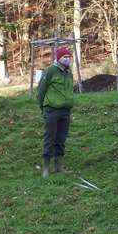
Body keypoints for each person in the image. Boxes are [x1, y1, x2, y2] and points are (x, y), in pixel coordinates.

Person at [36, 46, 75, 178]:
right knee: (49, 138)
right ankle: (46, 168)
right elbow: (41, 90)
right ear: (58, 58)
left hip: (65, 111)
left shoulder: (69, 73)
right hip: (51, 110)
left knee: (61, 139)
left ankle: (59, 167)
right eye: (65, 57)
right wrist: (42, 108)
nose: (67, 59)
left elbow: (69, 91)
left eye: (69, 57)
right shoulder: (50, 71)